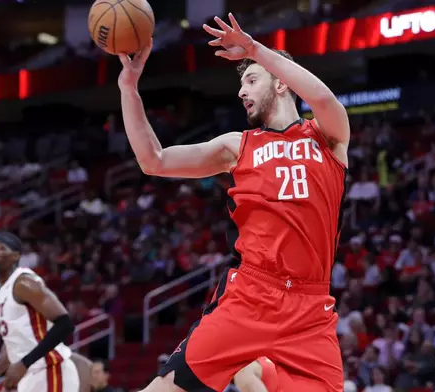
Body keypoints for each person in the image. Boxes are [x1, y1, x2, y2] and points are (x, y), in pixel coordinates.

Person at [118, 12, 348, 392]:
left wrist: (257, 49)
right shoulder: (236, 146)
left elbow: (321, 96)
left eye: (251, 80)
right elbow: (153, 160)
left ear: (281, 84)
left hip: (311, 309)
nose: (241, 91)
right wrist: (129, 87)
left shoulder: (328, 138)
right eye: (241, 83)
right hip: (250, 295)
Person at [0, 232, 88, 392]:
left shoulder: (23, 283)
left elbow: (65, 324)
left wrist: (24, 363)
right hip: (28, 376)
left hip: (50, 370)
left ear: (15, 256)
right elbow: (11, 342)